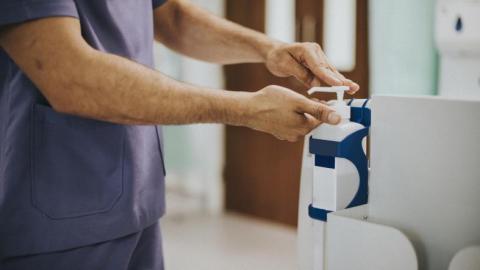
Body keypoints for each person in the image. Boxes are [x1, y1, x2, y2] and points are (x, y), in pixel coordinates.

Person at [0, 0, 359, 269]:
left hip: (136, 199)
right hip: (56, 206)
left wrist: (269, 49)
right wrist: (247, 109)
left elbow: (169, 15)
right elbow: (69, 75)